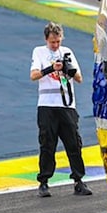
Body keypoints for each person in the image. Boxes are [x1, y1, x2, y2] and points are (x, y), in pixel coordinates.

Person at [29, 22, 92, 198]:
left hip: (66, 105)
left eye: (57, 41)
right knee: (47, 144)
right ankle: (43, 182)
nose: (55, 45)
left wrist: (66, 68)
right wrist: (51, 68)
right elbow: (33, 75)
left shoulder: (67, 52)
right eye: (52, 42)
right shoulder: (39, 52)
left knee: (74, 143)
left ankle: (78, 181)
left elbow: (79, 78)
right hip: (47, 105)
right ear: (46, 40)